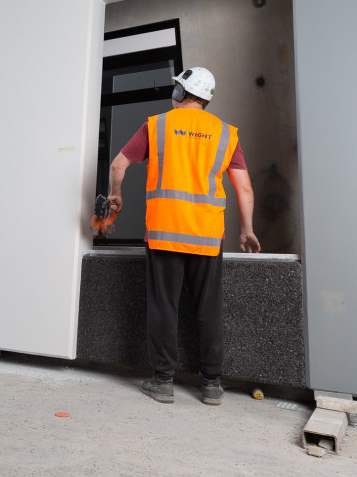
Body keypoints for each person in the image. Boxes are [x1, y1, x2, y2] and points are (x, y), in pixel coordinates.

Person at [106, 66, 260, 406]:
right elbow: (244, 188)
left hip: (164, 232)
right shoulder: (225, 133)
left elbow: (118, 166)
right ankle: (211, 385)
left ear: (180, 93)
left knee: (164, 306)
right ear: (206, 99)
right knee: (208, 308)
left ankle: (162, 381)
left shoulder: (157, 125)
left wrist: (116, 195)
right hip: (207, 234)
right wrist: (246, 230)